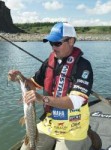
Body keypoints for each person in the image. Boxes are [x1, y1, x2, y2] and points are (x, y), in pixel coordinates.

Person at [8, 22, 101, 150]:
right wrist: (20, 78)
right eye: (51, 43)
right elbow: (33, 83)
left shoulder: (84, 66)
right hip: (49, 124)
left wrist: (42, 99)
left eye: (57, 43)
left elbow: (76, 101)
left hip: (73, 128)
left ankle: (88, 139)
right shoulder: (49, 62)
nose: (53, 47)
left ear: (71, 41)